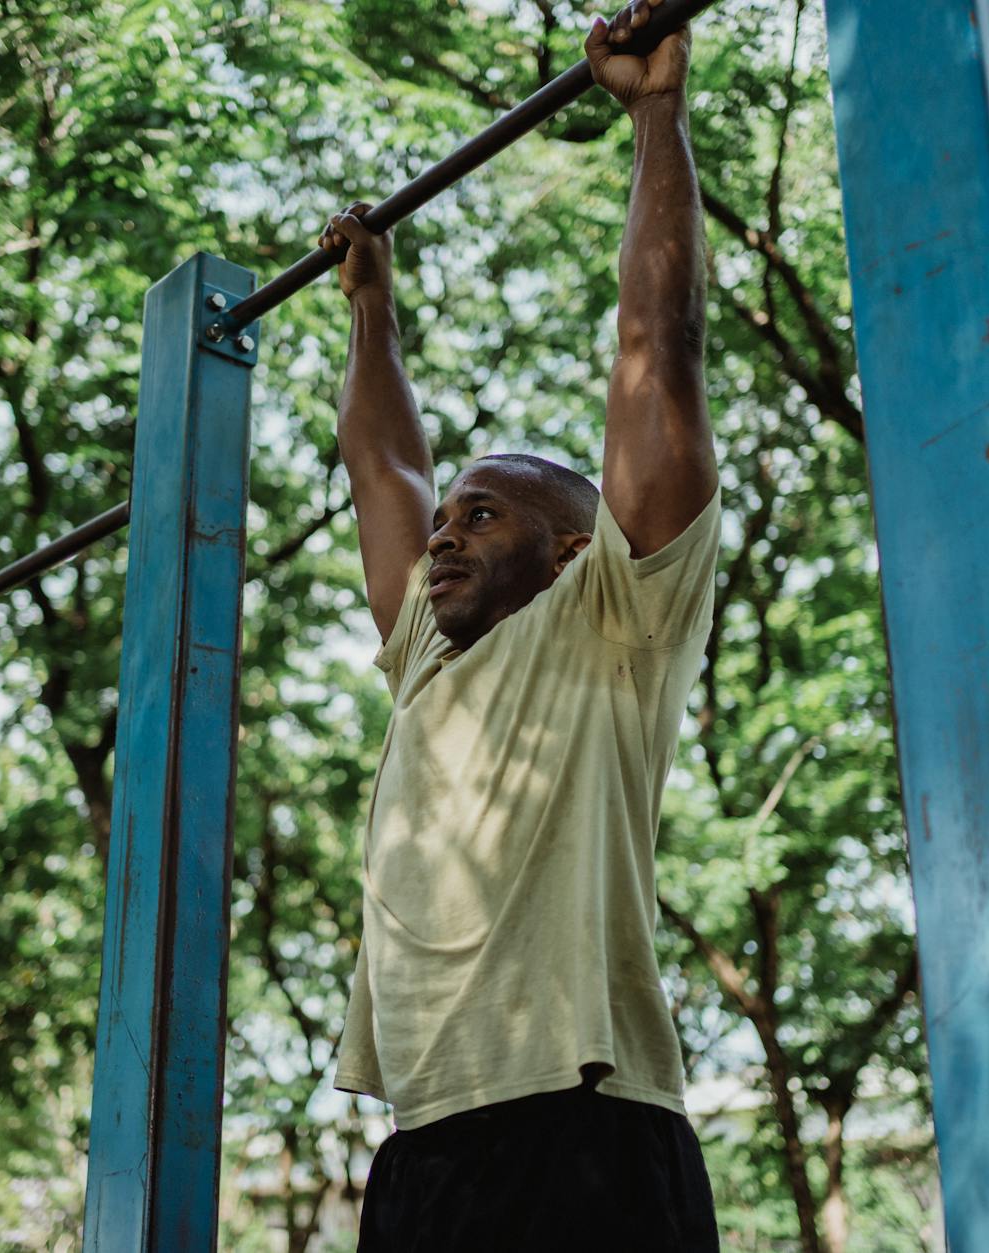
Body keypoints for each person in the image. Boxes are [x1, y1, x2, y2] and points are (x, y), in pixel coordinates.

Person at [316, 0, 722, 1247]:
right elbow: (381, 469)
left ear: (566, 548)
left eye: (480, 516)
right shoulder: (425, 658)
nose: (441, 535)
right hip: (425, 1144)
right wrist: (370, 314)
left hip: (579, 1126)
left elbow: (659, 344)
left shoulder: (612, 612)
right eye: (448, 518)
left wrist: (652, 114)